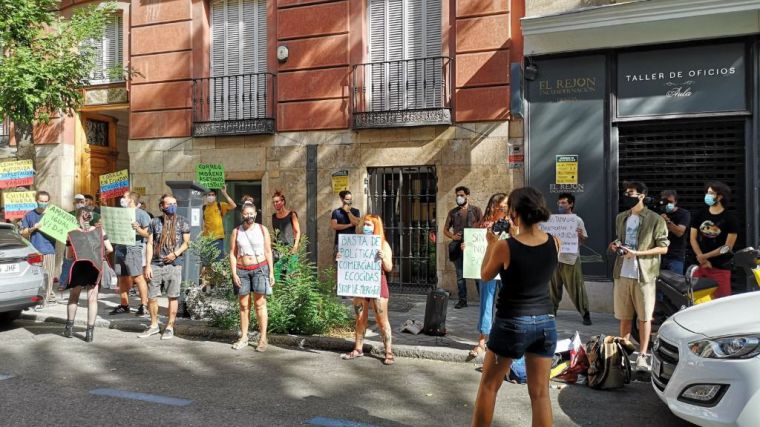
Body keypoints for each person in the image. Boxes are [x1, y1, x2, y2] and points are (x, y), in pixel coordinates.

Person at [471, 187, 558, 427]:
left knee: (489, 387)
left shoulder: (505, 246)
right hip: (545, 322)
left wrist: (491, 243)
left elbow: (485, 275)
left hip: (512, 322)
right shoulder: (555, 242)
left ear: (515, 214)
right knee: (540, 393)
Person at [609, 181, 669, 370]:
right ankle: (623, 355)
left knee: (644, 317)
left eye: (631, 192)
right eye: (626, 192)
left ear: (642, 195)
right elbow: (621, 238)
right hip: (622, 272)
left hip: (644, 274)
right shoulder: (621, 217)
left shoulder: (655, 219)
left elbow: (664, 247)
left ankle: (643, 355)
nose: (627, 195)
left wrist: (637, 254)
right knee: (624, 317)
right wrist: (615, 245)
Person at [339, 214, 395, 365]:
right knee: (359, 318)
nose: (365, 227)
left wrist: (383, 258)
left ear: (376, 226)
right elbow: (348, 260)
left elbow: (389, 267)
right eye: (364, 224)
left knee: (382, 320)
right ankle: (358, 348)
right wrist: (341, 257)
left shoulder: (383, 244)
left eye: (369, 224)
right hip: (360, 283)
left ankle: (388, 351)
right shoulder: (357, 242)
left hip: (377, 283)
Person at [139, 194, 191, 340]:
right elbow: (149, 243)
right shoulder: (154, 222)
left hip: (174, 265)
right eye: (169, 204)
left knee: (173, 296)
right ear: (162, 206)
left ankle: (169, 326)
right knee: (152, 297)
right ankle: (154, 325)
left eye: (174, 203)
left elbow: (186, 243)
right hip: (155, 264)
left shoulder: (183, 221)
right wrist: (147, 265)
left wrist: (175, 254)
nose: (172, 206)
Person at [62, 207, 113, 342]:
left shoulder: (71, 234)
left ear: (77, 217)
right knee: (92, 299)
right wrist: (98, 254)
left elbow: (68, 255)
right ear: (90, 217)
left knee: (74, 297)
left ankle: (69, 327)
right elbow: (110, 249)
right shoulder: (100, 231)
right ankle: (89, 332)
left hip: (79, 266)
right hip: (94, 266)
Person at [466, 193, 507, 359]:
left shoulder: (513, 224)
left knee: (507, 305)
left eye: (507, 205)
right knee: (486, 302)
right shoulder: (483, 225)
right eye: (503, 205)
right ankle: (482, 341)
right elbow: (475, 244)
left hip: (506, 270)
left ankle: (503, 340)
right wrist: (467, 246)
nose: (505, 208)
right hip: (488, 268)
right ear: (495, 206)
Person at [229, 203, 275, 351]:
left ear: (256, 213)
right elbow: (232, 253)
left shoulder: (262, 230)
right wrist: (234, 272)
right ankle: (244, 337)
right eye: (246, 214)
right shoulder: (236, 231)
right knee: (243, 305)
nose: (249, 216)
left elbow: (268, 251)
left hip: (260, 269)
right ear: (242, 215)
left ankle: (262, 338)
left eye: (251, 213)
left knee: (260, 304)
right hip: (242, 271)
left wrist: (271, 272)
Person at [690, 181, 738, 298]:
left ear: (720, 196)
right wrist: (701, 257)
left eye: (711, 193)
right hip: (700, 266)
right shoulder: (700, 214)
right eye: (707, 192)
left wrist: (705, 257)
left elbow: (727, 248)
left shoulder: (730, 219)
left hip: (720, 268)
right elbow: (692, 238)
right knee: (696, 301)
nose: (707, 195)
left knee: (722, 302)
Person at [549, 193, 592, 325]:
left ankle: (585, 313)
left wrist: (580, 236)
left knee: (576, 289)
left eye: (563, 203)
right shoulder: (553, 219)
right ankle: (551, 312)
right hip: (555, 259)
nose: (560, 205)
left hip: (571, 258)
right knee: (552, 288)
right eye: (559, 203)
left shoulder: (577, 220)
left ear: (571, 204)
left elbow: (585, 240)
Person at [109, 191, 152, 317]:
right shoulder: (120, 213)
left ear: (131, 200)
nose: (122, 199)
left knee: (138, 277)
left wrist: (138, 229)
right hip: (120, 248)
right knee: (122, 277)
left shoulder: (142, 214)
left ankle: (143, 305)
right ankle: (124, 305)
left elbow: (149, 234)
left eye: (124, 197)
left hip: (134, 250)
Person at [444, 186, 482, 309]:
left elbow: (482, 226)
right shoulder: (453, 212)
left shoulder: (476, 210)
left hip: (473, 246)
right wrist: (453, 236)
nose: (459, 197)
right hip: (457, 246)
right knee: (460, 275)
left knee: (477, 275)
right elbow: (445, 230)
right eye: (457, 195)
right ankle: (462, 300)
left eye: (461, 195)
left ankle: (483, 300)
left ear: (467, 196)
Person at [20, 191, 57, 306]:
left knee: (49, 276)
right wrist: (33, 228)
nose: (43, 203)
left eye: (46, 201)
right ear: (36, 200)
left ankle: (45, 300)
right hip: (35, 252)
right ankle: (45, 297)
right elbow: (22, 233)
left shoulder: (53, 215)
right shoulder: (29, 215)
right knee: (37, 277)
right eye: (41, 201)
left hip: (49, 250)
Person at [201, 186, 237, 283]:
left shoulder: (220, 205)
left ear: (216, 196)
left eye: (212, 195)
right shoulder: (203, 208)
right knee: (205, 263)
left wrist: (224, 193)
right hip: (206, 239)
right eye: (209, 195)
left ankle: (223, 283)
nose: (211, 196)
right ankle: (204, 285)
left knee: (218, 263)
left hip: (218, 238)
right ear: (206, 196)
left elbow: (233, 206)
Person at [660, 189, 691, 274]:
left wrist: (667, 221)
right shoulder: (657, 213)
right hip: (659, 256)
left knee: (675, 283)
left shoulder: (684, 214)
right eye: (665, 201)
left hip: (675, 256)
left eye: (670, 202)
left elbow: (679, 232)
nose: (668, 204)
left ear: (675, 202)